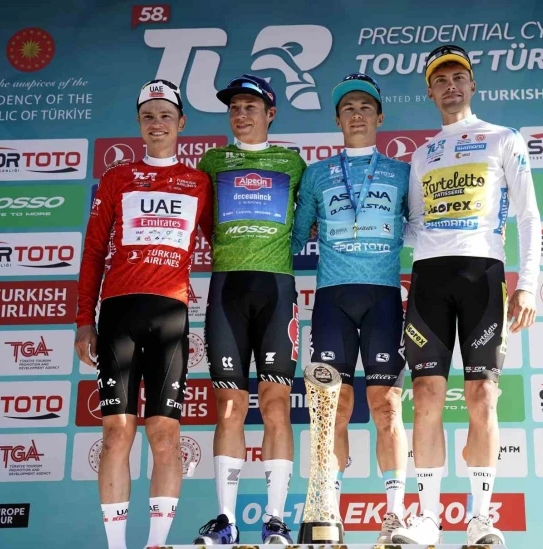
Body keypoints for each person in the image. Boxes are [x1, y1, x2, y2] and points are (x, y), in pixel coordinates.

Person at [389, 44, 541, 546]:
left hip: (483, 276)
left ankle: (480, 518)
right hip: (429, 279)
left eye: (458, 77)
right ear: (430, 92)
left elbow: (528, 216)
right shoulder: (422, 154)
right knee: (426, 395)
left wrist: (528, 283)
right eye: (440, 79)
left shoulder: (503, 138)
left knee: (482, 396)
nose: (450, 86)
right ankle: (428, 518)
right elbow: (413, 225)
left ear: (472, 84)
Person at [75, 79, 214, 549]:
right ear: (139, 123)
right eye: (149, 116)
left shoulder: (199, 182)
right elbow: (93, 251)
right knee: (116, 433)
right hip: (119, 314)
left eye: (165, 115)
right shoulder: (117, 178)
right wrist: (83, 320)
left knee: (165, 434)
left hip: (171, 315)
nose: (157, 124)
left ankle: (157, 544)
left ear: (181, 123)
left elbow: (225, 241)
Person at [290, 73, 411, 543]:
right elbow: (295, 237)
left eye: (365, 107)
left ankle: (394, 516)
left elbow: (424, 230)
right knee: (331, 408)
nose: (356, 114)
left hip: (383, 298)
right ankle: (328, 513)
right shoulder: (317, 174)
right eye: (347, 108)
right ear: (337, 118)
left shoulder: (402, 172)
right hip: (332, 299)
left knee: (387, 406)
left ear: (379, 117)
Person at [193, 74, 307, 545]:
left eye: (251, 107)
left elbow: (306, 220)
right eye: (234, 107)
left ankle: (276, 519)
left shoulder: (292, 163)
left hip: (277, 288)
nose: (241, 114)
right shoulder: (212, 162)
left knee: (276, 404)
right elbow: (204, 224)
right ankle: (225, 519)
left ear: (270, 113)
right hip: (227, 288)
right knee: (229, 406)